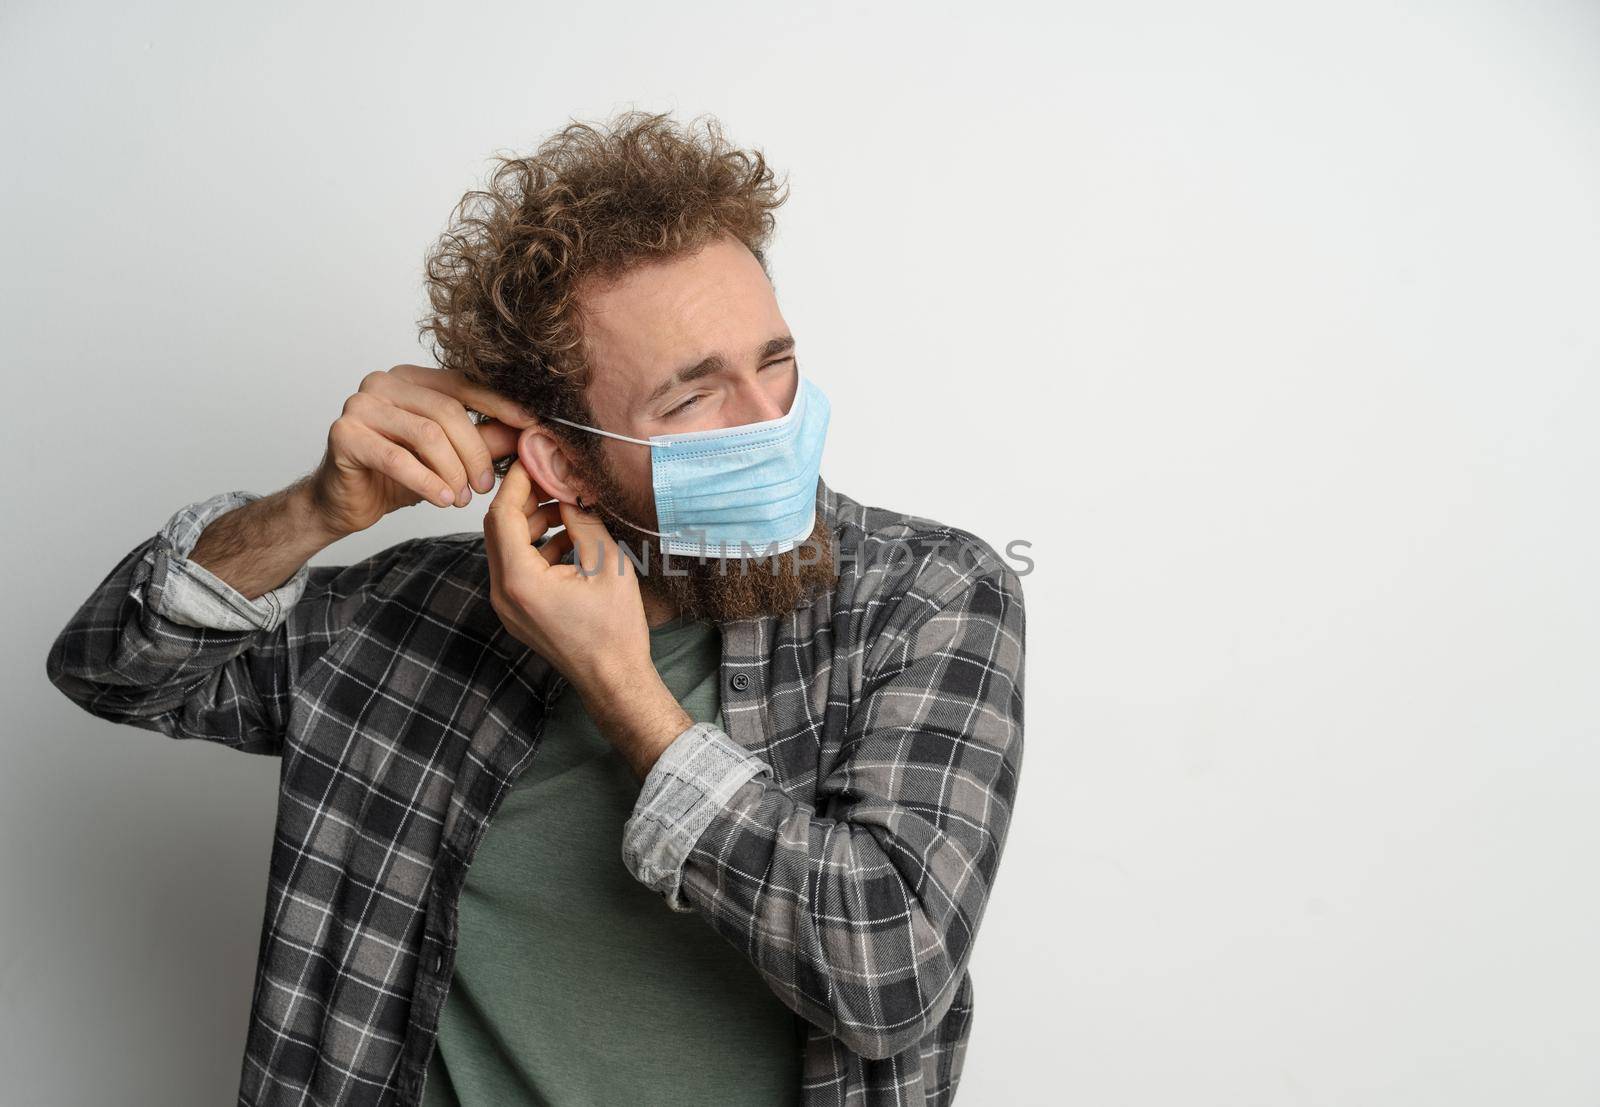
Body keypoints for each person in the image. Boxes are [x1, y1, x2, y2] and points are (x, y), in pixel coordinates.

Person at [45, 109, 1026, 1107]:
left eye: (773, 361)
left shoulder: (928, 595)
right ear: (564, 459)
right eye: (692, 399)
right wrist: (310, 511)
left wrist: (623, 689)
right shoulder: (407, 620)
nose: (769, 422)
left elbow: (889, 978)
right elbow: (110, 669)